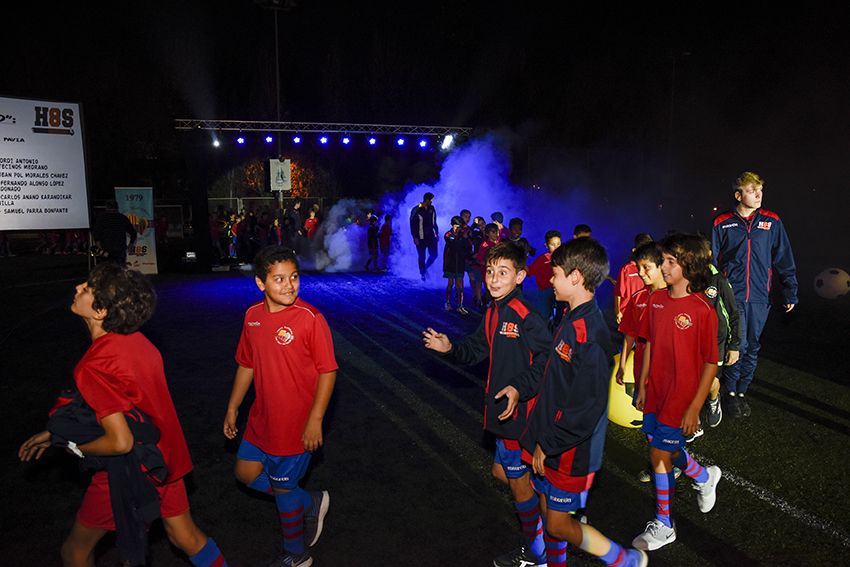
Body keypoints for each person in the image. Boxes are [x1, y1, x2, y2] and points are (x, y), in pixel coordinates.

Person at [18, 263, 227, 567]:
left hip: (131, 471)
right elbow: (127, 400)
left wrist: (69, 445)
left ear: (101, 311)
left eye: (87, 289)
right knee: (185, 537)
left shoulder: (93, 365)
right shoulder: (138, 341)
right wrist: (54, 431)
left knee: (74, 551)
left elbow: (120, 442)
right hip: (168, 456)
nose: (78, 288)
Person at [519, 237, 647, 567]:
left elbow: (587, 408)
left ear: (576, 278)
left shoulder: (589, 332)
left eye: (556, 274)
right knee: (550, 515)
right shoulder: (571, 317)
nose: (550, 279)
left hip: (571, 451)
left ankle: (626, 560)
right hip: (553, 441)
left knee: (558, 523)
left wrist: (548, 443)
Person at [423, 241, 551, 567]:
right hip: (500, 413)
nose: (493, 279)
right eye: (491, 272)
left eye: (503, 273)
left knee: (519, 485)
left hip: (518, 415)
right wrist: (450, 348)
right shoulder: (493, 310)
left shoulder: (526, 315)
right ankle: (555, 509)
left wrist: (519, 389)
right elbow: (477, 349)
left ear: (520, 277)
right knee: (500, 471)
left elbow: (548, 362)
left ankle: (536, 554)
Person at [223, 245, 337, 567]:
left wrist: (315, 420)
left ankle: (297, 554)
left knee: (284, 492)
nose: (289, 285)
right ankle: (309, 501)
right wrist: (233, 407)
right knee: (245, 474)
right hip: (262, 420)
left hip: (296, 424)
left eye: (294, 277)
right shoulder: (252, 317)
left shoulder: (310, 319)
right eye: (279, 279)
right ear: (261, 283)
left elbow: (328, 371)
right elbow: (247, 364)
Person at [632, 233, 722, 552]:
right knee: (663, 449)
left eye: (671, 261)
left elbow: (711, 361)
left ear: (690, 266)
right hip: (656, 391)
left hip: (681, 396)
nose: (663, 266)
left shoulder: (702, 310)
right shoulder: (656, 300)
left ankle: (665, 525)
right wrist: (643, 383)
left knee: (658, 455)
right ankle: (703, 477)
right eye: (664, 260)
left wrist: (695, 405)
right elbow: (650, 341)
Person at [711, 171, 798, 417]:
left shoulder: (772, 221)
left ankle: (741, 392)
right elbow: (713, 263)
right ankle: (728, 394)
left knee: (753, 346)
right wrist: (712, 292)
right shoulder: (722, 222)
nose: (758, 194)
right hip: (732, 296)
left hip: (761, 296)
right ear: (738, 195)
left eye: (760, 190)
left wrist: (790, 290)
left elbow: (783, 257)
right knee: (736, 344)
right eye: (751, 190)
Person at [615, 242, 682, 483]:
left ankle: (671, 464)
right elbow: (629, 335)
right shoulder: (638, 298)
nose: (641, 274)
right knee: (649, 425)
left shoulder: (676, 297)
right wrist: (622, 365)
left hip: (667, 375)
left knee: (665, 425)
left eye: (647, 268)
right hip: (642, 373)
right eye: (639, 268)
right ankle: (660, 462)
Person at [699, 236, 741, 428]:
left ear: (708, 254)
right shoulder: (686, 278)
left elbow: (733, 313)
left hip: (716, 342)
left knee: (709, 382)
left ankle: (714, 400)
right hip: (694, 341)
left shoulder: (718, 280)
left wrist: (734, 345)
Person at [615, 234, 654, 324]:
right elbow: (618, 293)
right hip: (629, 314)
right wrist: (618, 312)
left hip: (647, 313)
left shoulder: (655, 268)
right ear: (634, 250)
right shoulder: (627, 269)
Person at [526, 230, 562, 324]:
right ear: (546, 245)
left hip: (561, 291)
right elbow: (530, 272)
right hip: (545, 291)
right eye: (553, 244)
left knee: (560, 316)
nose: (556, 247)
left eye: (558, 244)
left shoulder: (565, 258)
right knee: (544, 317)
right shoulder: (542, 259)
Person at [441, 215, 472, 314]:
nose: (458, 228)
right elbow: (455, 245)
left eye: (460, 226)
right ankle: (448, 302)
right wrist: (463, 239)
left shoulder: (463, 234)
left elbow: (467, 247)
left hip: (460, 263)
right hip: (450, 262)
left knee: (460, 284)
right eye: (456, 226)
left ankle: (460, 306)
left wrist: (466, 240)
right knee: (450, 283)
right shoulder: (448, 234)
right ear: (451, 225)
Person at [92, 200, 137, 266]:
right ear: (117, 208)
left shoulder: (101, 219)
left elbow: (96, 234)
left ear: (106, 208)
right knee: (119, 270)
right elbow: (133, 233)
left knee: (106, 271)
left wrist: (99, 247)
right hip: (120, 250)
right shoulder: (123, 218)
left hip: (106, 250)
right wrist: (131, 243)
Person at [472, 223, 502, 308]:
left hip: (495, 270)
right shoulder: (485, 245)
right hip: (484, 270)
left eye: (497, 232)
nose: (496, 234)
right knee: (485, 286)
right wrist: (487, 264)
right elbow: (479, 259)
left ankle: (489, 303)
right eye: (493, 232)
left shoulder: (498, 243)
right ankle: (480, 302)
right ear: (487, 234)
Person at [410, 192, 439, 280]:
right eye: (431, 200)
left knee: (434, 255)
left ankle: (425, 268)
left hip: (430, 236)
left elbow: (434, 222)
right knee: (422, 256)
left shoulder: (432, 208)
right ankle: (422, 274)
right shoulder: (416, 209)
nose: (432, 202)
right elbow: (412, 224)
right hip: (420, 237)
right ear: (427, 199)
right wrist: (414, 237)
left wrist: (437, 233)